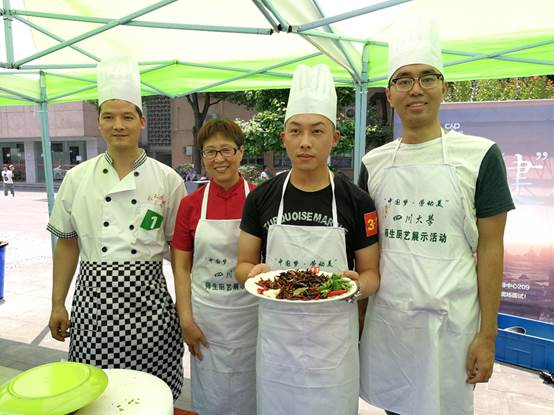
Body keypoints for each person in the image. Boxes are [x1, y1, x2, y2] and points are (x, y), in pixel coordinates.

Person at [358, 18, 515, 415]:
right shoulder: (373, 163)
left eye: (427, 77)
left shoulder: (480, 156)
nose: (416, 89)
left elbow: (491, 249)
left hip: (450, 327)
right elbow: (365, 251)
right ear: (390, 94)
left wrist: (488, 336)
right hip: (390, 324)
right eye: (403, 80)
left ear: (444, 87)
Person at [236, 64, 380, 415]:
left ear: (334, 138)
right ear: (283, 138)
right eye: (296, 131)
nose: (305, 142)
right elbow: (242, 265)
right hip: (278, 344)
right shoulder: (261, 198)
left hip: (333, 346)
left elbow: (372, 274)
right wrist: (252, 274)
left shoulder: (357, 200)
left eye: (317, 131)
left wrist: (357, 286)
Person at [47, 56, 186, 400]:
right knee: (96, 392)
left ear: (142, 121)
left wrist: (187, 310)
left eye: (127, 117)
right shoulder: (77, 178)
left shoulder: (168, 179)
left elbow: (180, 253)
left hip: (150, 304)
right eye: (109, 117)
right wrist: (57, 304)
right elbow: (67, 244)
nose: (118, 125)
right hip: (94, 305)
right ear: (99, 123)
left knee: (150, 392)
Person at [172, 118, 257, 415]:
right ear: (203, 156)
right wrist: (186, 320)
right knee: (212, 396)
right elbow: (181, 266)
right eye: (210, 152)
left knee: (253, 392)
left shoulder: (260, 199)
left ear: (240, 152)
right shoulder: (190, 204)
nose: (219, 159)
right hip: (206, 319)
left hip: (252, 318)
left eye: (226, 150)